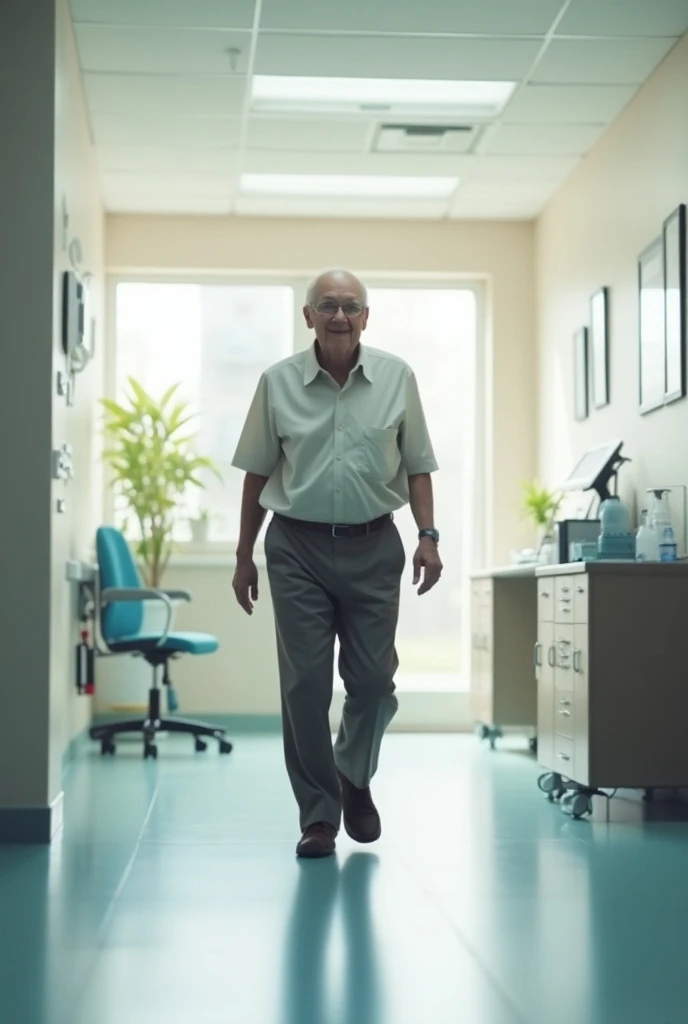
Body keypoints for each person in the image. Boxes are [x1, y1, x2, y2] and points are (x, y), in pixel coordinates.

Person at [231, 269, 442, 858]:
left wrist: (428, 536)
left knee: (373, 682)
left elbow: (418, 464)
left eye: (351, 306)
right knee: (304, 687)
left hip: (375, 545)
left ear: (366, 317)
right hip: (295, 546)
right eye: (328, 305)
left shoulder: (398, 378)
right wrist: (243, 555)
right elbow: (256, 474)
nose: (340, 316)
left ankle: (354, 773)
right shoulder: (277, 383)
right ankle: (318, 816)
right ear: (308, 317)